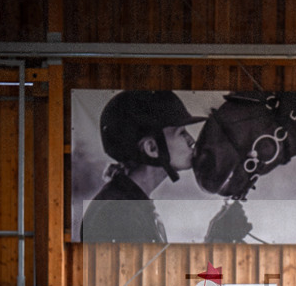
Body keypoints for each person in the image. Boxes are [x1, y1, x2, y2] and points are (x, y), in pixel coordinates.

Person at [80, 91, 207, 243]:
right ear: (152, 148)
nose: (191, 140)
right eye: (181, 133)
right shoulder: (119, 213)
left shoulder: (128, 203)